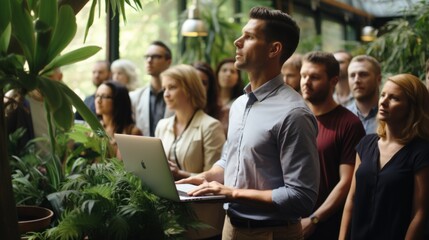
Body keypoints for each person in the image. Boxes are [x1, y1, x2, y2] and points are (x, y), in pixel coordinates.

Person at [177, 6, 320, 240]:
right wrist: (206, 178)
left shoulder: (294, 113)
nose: (237, 41)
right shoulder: (239, 104)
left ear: (274, 50)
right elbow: (229, 161)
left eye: (249, 37)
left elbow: (301, 197)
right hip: (231, 227)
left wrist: (233, 193)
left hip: (273, 232)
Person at [339, 73, 429, 240]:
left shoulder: (421, 151)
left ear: (412, 107)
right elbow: (351, 199)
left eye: (394, 98)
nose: (383, 102)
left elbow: (420, 213)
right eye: (383, 95)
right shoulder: (366, 144)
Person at [299, 51, 365, 239]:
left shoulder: (349, 124)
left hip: (328, 226)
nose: (306, 82)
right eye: (303, 76)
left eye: (315, 77)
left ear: (333, 81)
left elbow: (347, 182)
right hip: (290, 221)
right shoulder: (295, 119)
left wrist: (314, 219)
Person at [156, 64, 226, 239]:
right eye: (164, 88)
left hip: (202, 220)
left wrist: (178, 173)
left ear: (189, 89)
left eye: (172, 87)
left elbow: (216, 180)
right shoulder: (162, 125)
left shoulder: (210, 126)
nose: (166, 94)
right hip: (169, 216)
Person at [130, 41, 173, 136]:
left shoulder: (179, 95)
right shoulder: (135, 97)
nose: (149, 60)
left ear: (168, 61)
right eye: (147, 57)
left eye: (156, 56)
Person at [95, 81, 141, 157]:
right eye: (97, 96)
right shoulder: (93, 129)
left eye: (104, 96)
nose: (98, 101)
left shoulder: (132, 132)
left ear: (118, 101)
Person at [346, 55, 381, 134]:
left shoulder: (391, 117)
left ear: (378, 79)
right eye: (352, 75)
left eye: (363, 74)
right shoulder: (341, 117)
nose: (356, 80)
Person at [215, 58, 244, 135]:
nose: (228, 74)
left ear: (238, 78)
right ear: (217, 74)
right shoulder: (208, 100)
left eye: (232, 71)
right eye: (224, 70)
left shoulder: (242, 103)